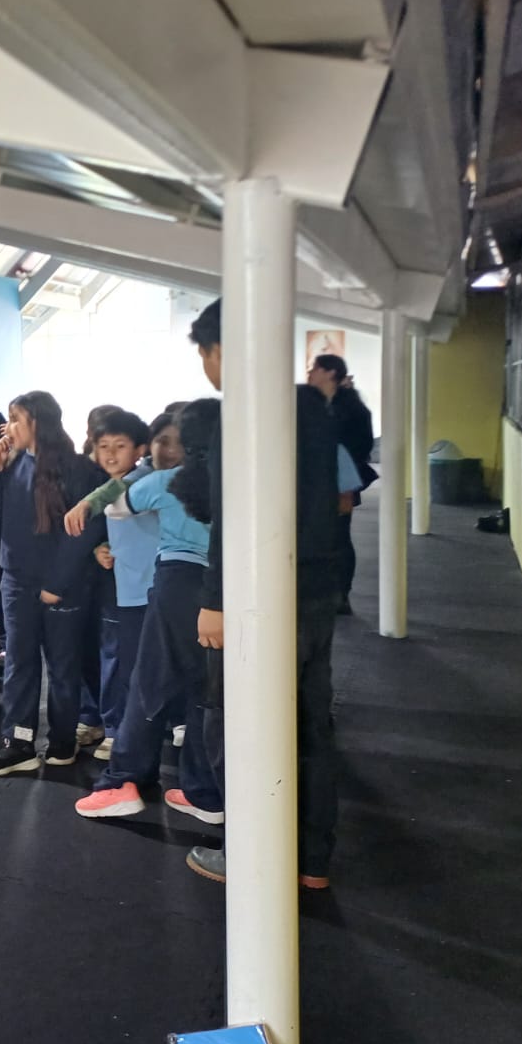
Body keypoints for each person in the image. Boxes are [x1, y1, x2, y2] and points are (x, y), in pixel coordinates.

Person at [185, 298, 345, 889]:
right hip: (315, 590)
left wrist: (214, 598)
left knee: (237, 725)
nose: (208, 368)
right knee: (308, 726)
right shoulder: (311, 408)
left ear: (221, 349)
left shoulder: (243, 414)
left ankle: (253, 855)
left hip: (259, 596)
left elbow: (233, 515)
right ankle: (311, 860)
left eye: (206, 355)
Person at [70, 400, 224, 823]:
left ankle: (121, 781)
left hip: (176, 583)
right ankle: (204, 791)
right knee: (203, 691)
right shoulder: (238, 481)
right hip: (221, 588)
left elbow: (117, 506)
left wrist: (96, 500)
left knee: (146, 684)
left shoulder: (166, 481)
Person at [0, 391, 107, 775]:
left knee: (64, 666)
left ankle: (63, 741)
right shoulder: (11, 463)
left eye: (16, 419)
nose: (8, 427)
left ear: (38, 422)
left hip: (63, 584)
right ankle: (19, 742)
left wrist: (57, 583)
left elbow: (86, 531)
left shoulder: (78, 469)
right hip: (16, 581)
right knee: (19, 662)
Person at [71, 410, 153, 759]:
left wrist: (85, 504)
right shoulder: (109, 481)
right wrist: (99, 548)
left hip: (145, 589)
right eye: (103, 445)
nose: (110, 453)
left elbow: (118, 494)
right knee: (112, 657)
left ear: (140, 449)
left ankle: (123, 730)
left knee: (127, 661)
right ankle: (111, 725)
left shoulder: (143, 479)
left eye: (120, 445)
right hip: (118, 586)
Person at [308, 353, 375, 614]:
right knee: (330, 535)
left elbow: (360, 447)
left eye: (315, 368)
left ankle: (339, 593)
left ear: (330, 373)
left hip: (339, 483)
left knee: (338, 536)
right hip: (323, 480)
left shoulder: (348, 409)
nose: (310, 373)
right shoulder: (320, 404)